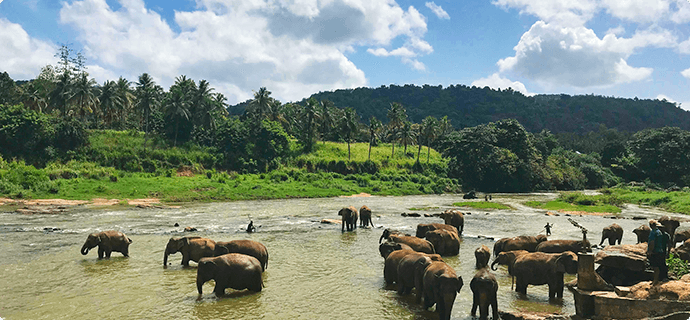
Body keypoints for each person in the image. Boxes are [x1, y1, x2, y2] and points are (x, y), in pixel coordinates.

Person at [647, 219, 670, 284]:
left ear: (651, 225)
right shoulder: (659, 232)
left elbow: (652, 242)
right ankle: (657, 279)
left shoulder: (653, 232)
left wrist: (650, 251)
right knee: (659, 265)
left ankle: (655, 280)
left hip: (655, 251)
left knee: (655, 266)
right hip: (660, 251)